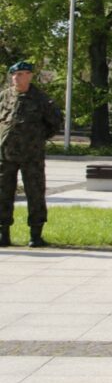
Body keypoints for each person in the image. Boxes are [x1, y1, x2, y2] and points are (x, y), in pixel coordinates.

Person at [0, 61, 62, 248]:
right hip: (6, 154)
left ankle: (36, 235)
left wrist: (35, 139)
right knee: (3, 194)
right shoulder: (4, 96)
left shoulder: (42, 100)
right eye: (13, 75)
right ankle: (3, 233)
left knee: (35, 193)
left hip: (31, 156)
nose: (15, 78)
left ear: (29, 75)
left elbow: (54, 124)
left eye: (19, 74)